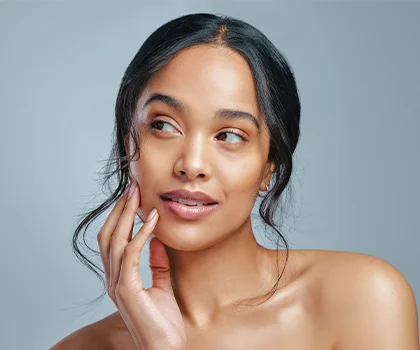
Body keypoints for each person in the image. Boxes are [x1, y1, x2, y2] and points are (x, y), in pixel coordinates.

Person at [51, 13, 419, 350]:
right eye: (163, 125)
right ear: (125, 142)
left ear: (268, 167)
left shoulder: (363, 299)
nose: (192, 165)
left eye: (229, 135)